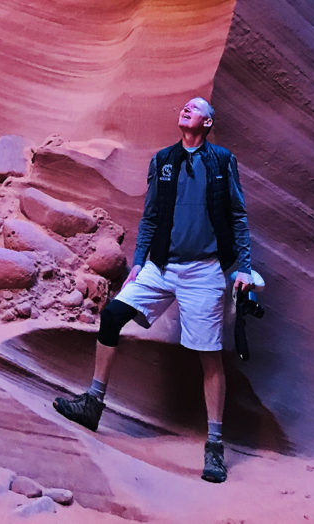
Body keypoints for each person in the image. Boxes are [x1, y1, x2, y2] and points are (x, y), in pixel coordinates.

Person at [53, 97, 256, 483]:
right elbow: (150, 216)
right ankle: (93, 404)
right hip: (161, 266)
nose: (186, 108)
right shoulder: (163, 160)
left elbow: (238, 215)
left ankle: (214, 448)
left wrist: (243, 268)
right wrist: (139, 264)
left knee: (209, 356)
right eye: (184, 106)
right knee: (112, 315)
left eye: (195, 108)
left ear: (208, 123)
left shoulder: (222, 161)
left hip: (204, 271)